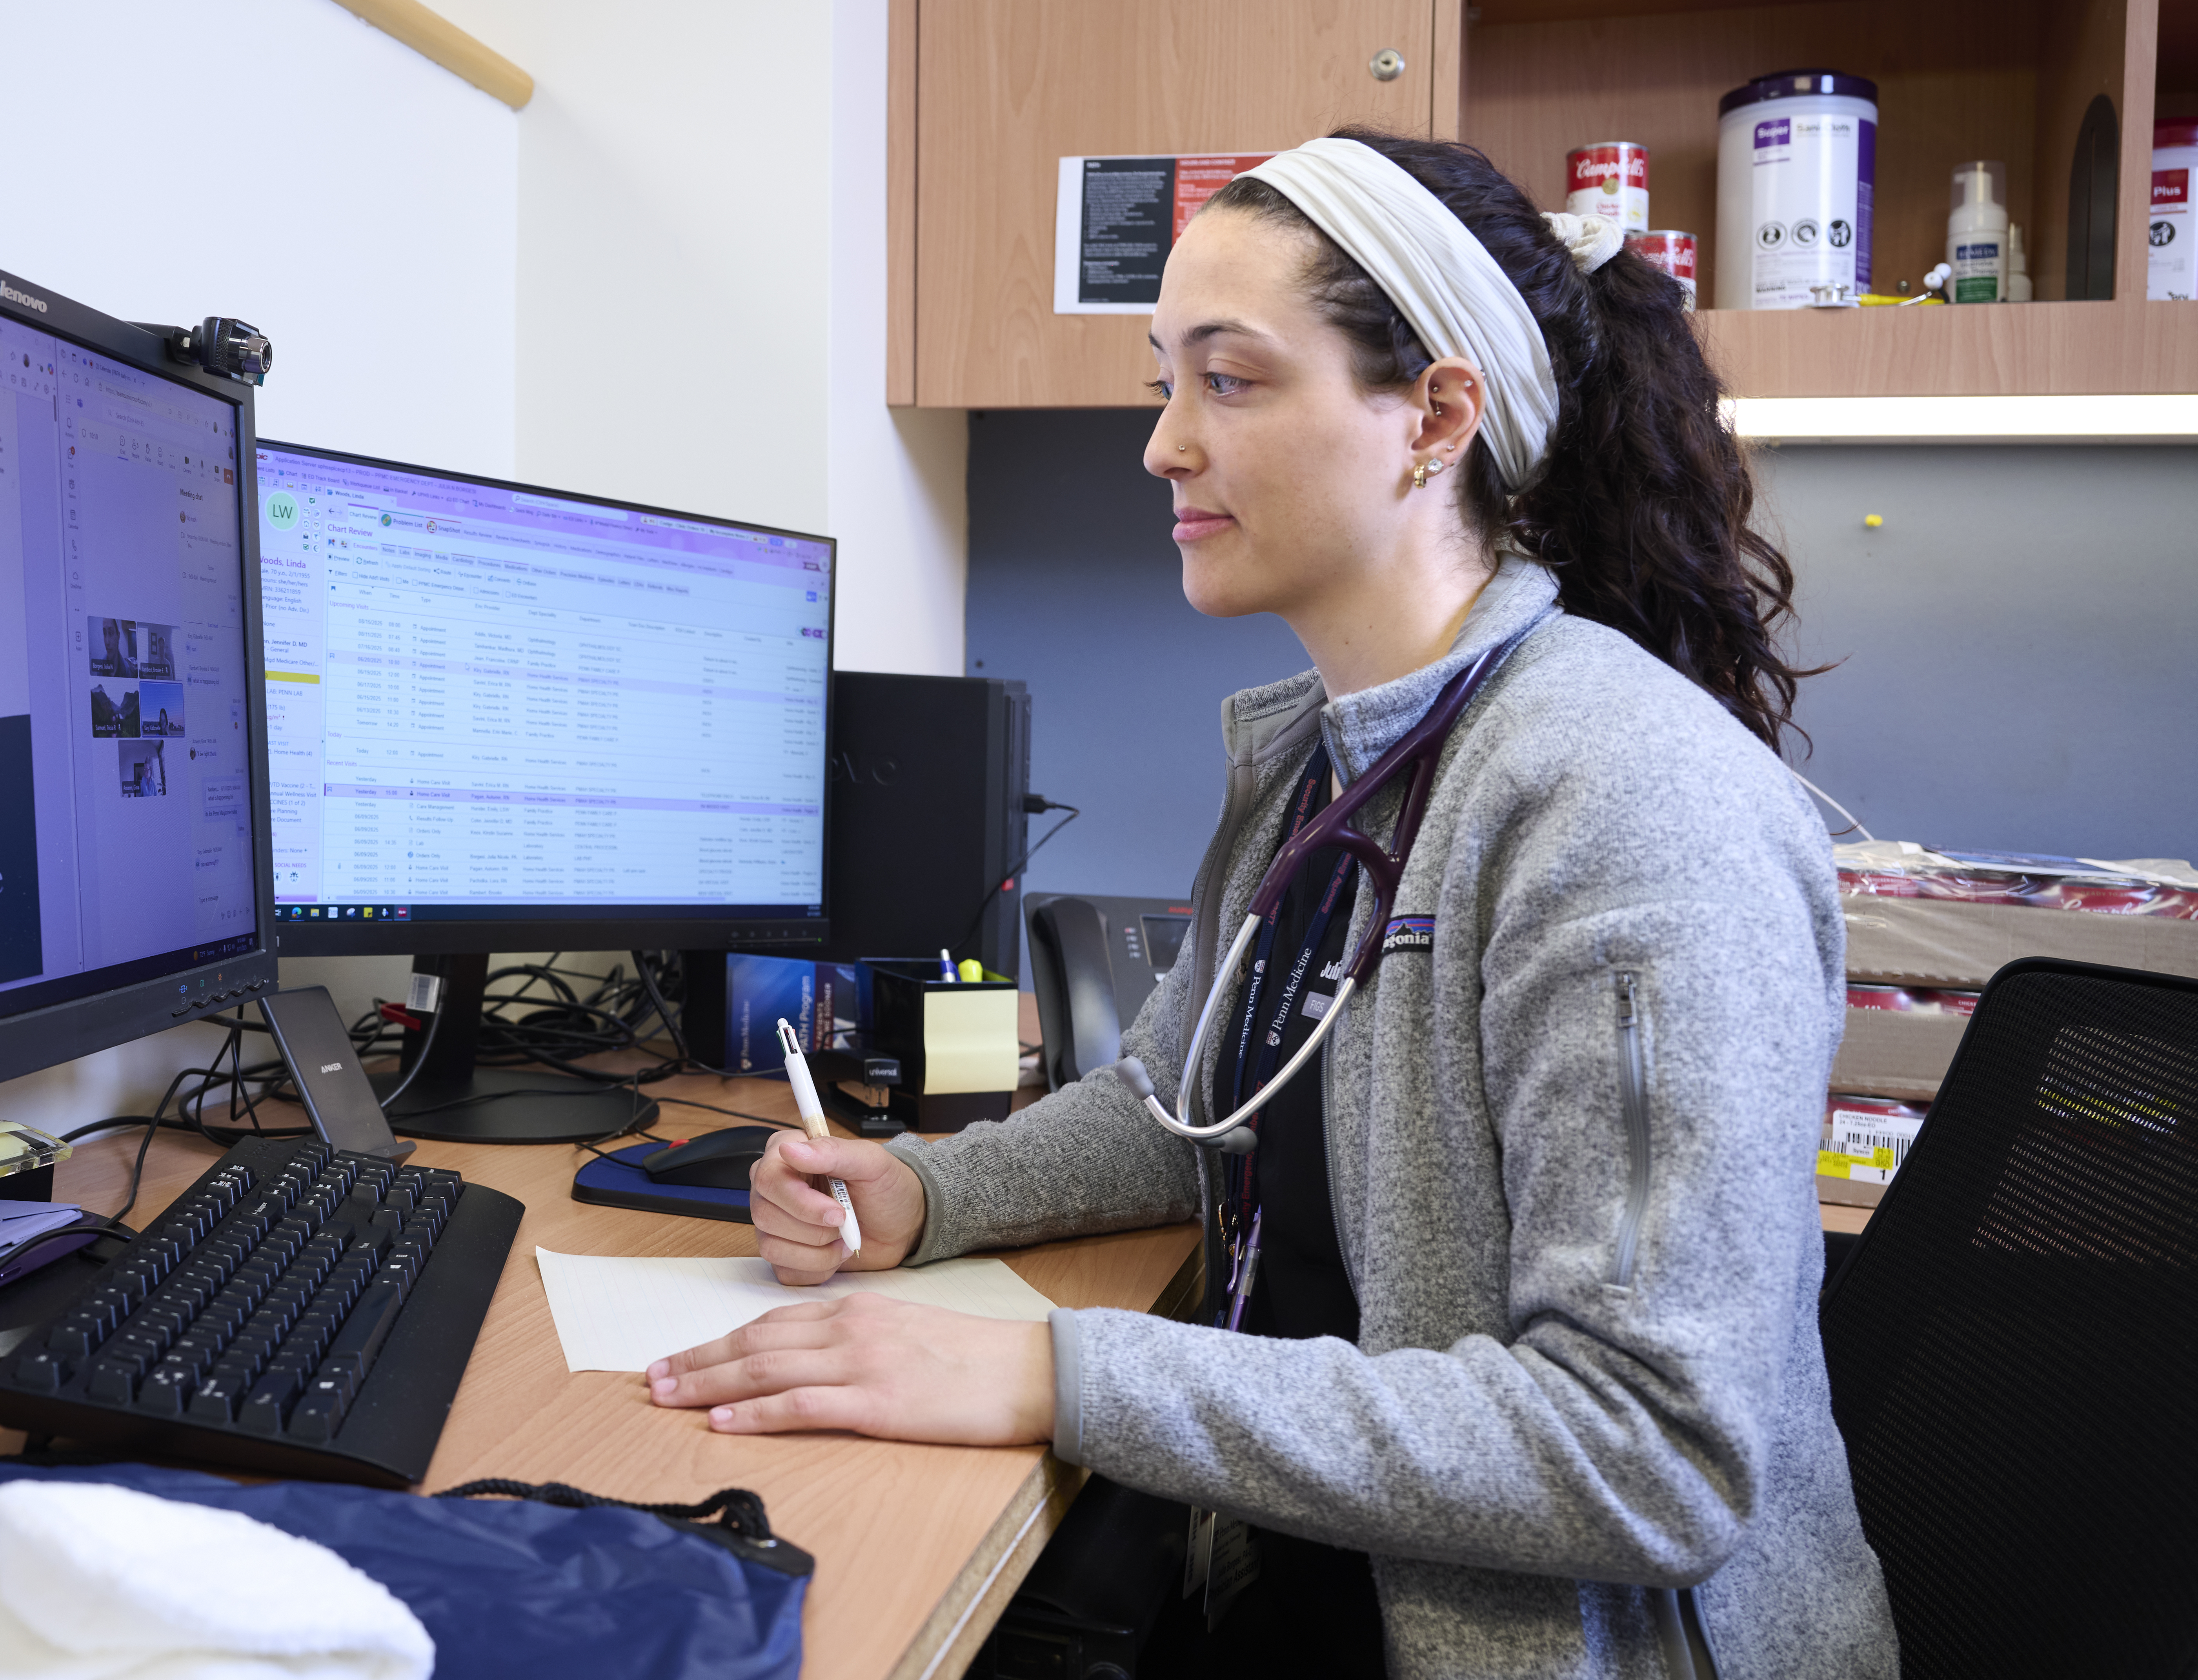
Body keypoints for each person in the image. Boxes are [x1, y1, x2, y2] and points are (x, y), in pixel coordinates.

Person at [645, 131, 1897, 1679]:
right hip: (1304, 1583)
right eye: (1160, 381)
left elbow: (1642, 1451)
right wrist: (923, 1190)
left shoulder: (1625, 808)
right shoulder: (1327, 762)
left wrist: (1057, 1374)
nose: (1163, 444)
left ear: (1435, 414)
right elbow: (1182, 1104)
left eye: (1225, 381)